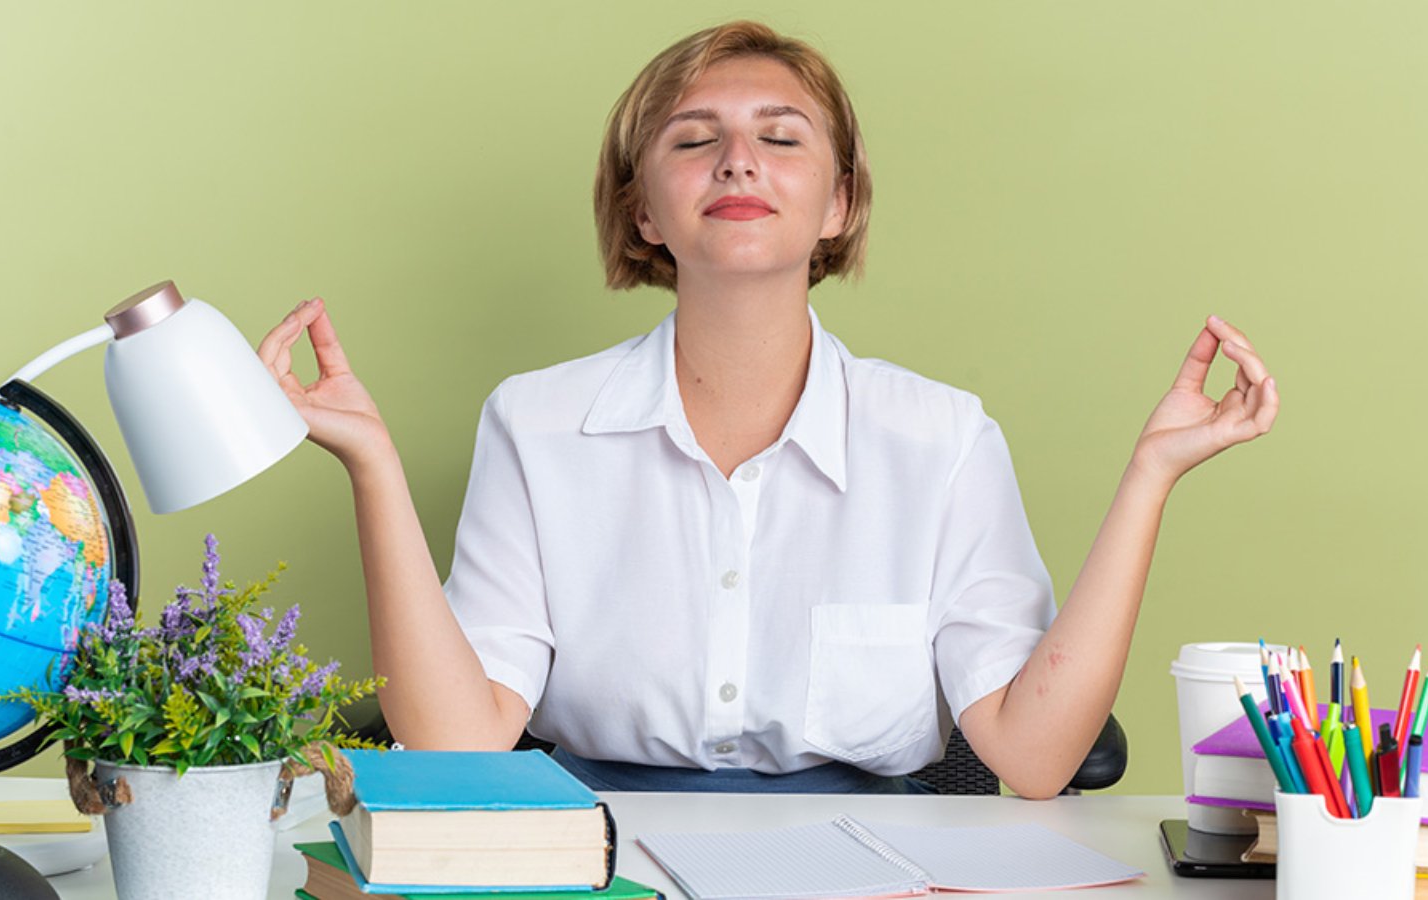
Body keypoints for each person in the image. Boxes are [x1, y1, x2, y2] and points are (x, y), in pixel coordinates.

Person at [257, 21, 1278, 797]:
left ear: (838, 203)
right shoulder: (533, 423)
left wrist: (1151, 476)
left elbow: (1031, 756)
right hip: (599, 856)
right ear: (644, 210)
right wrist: (371, 466)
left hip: (870, 864)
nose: (737, 161)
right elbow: (452, 745)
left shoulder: (942, 439)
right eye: (694, 140)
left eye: (780, 138)